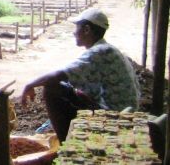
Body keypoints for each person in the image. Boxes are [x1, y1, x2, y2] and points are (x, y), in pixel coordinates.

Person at [20, 8, 139, 142]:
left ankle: (65, 143)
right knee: (69, 89)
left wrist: (29, 85)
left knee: (51, 89)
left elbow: (58, 75)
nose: (73, 32)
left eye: (76, 27)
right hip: (124, 111)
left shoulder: (100, 52)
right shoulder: (107, 49)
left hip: (115, 118)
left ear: (86, 30)